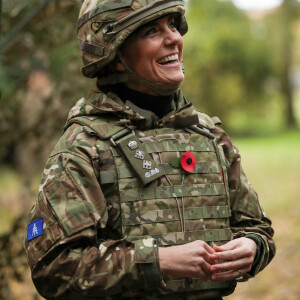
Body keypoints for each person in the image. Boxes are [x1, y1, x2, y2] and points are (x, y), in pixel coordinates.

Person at [24, 1, 275, 299]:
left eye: (172, 25)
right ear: (115, 54)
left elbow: (257, 228)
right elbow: (52, 268)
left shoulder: (209, 135)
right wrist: (158, 261)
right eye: (152, 30)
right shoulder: (85, 147)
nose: (174, 38)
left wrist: (252, 247)